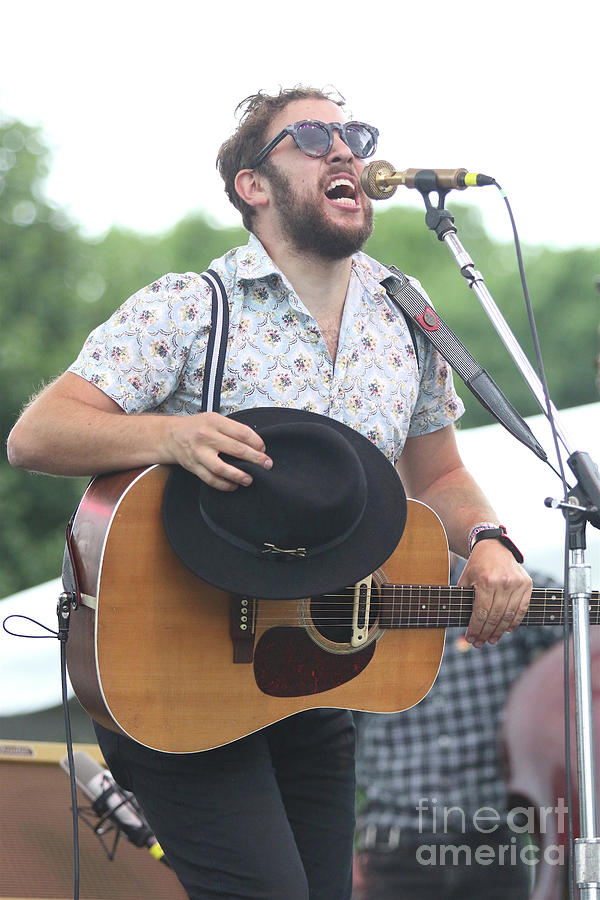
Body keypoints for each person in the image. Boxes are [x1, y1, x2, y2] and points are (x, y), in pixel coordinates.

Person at [7, 86, 533, 900]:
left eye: (353, 134)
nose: (346, 150)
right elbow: (36, 435)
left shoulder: (405, 316)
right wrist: (166, 434)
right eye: (314, 135)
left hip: (310, 680)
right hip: (170, 666)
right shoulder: (190, 306)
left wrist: (492, 541)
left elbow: (438, 476)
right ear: (254, 185)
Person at [353, 557, 561, 900]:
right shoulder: (359, 595)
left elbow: (581, 624)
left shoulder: (503, 586)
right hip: (393, 844)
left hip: (494, 842)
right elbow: (329, 728)